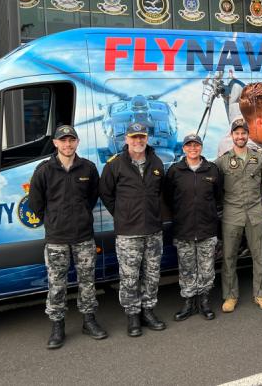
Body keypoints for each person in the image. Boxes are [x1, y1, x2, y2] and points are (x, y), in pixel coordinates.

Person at [28, 125, 106, 349]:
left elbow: (91, 198)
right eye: (63, 140)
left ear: (77, 142)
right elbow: (35, 202)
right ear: (55, 143)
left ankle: (89, 321)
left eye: (71, 140)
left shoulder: (88, 168)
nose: (67, 144)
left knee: (87, 283)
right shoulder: (44, 170)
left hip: (83, 237)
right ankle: (57, 327)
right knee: (56, 285)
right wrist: (53, 220)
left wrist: (80, 216)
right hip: (57, 239)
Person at [99, 122, 167, 336]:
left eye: (142, 137)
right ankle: (132, 317)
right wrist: (121, 214)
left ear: (147, 138)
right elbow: (106, 194)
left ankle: (148, 311)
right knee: (129, 277)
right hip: (128, 233)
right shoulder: (115, 165)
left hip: (153, 231)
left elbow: (161, 194)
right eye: (134, 137)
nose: (138, 141)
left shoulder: (156, 162)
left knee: (152, 275)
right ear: (126, 139)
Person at [164, 133, 224, 321]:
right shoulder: (175, 171)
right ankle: (189, 303)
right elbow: (168, 198)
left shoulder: (212, 170)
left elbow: (219, 197)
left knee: (206, 269)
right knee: (187, 269)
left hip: (207, 229)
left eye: (196, 145)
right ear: (183, 149)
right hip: (184, 230)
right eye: (189, 145)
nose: (193, 148)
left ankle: (204, 302)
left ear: (201, 147)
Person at [215, 119, 262, 312]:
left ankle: (261, 294)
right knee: (229, 257)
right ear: (232, 136)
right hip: (232, 214)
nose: (240, 137)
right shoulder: (222, 161)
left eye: (243, 133)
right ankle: (230, 296)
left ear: (248, 135)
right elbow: (217, 188)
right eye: (236, 133)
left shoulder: (259, 158)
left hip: (255, 213)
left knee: (259, 255)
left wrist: (258, 205)